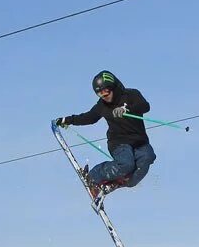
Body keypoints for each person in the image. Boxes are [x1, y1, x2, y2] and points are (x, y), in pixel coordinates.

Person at [56, 70, 156, 199]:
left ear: (113, 86)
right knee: (126, 164)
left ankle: (114, 183)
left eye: (106, 91)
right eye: (100, 93)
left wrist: (126, 109)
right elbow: (89, 118)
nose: (104, 95)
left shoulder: (131, 95)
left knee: (146, 159)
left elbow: (144, 106)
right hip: (119, 143)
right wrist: (68, 120)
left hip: (139, 142)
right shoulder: (102, 106)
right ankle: (94, 175)